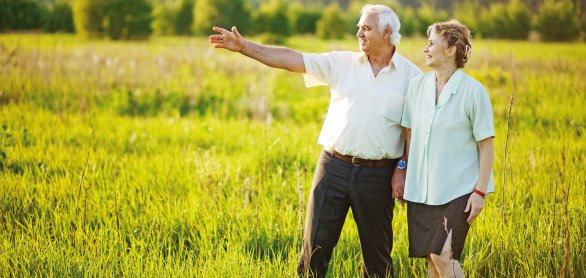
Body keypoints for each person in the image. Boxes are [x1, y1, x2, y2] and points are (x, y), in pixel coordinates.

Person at [209, 4, 421, 277]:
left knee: (378, 260)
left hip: (378, 176)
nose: (358, 33)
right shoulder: (342, 63)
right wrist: (244, 46)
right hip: (333, 167)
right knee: (314, 252)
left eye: (365, 28)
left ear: (387, 31)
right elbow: (292, 59)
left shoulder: (412, 77)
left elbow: (413, 131)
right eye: (358, 27)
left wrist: (402, 169)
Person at [398, 20, 495, 277]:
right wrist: (402, 170)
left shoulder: (474, 92)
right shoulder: (417, 87)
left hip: (459, 190)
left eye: (431, 43)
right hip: (422, 189)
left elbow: (486, 146)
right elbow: (408, 135)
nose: (425, 49)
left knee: (443, 256)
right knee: (432, 261)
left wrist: (480, 192)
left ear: (451, 49)